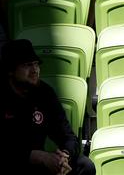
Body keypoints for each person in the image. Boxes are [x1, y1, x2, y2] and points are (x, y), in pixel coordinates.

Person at [0, 39, 95, 174]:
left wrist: (65, 156)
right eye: (27, 65)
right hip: (12, 162)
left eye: (36, 64)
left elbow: (68, 136)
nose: (35, 70)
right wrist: (37, 156)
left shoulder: (44, 93)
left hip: (37, 165)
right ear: (10, 70)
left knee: (84, 166)